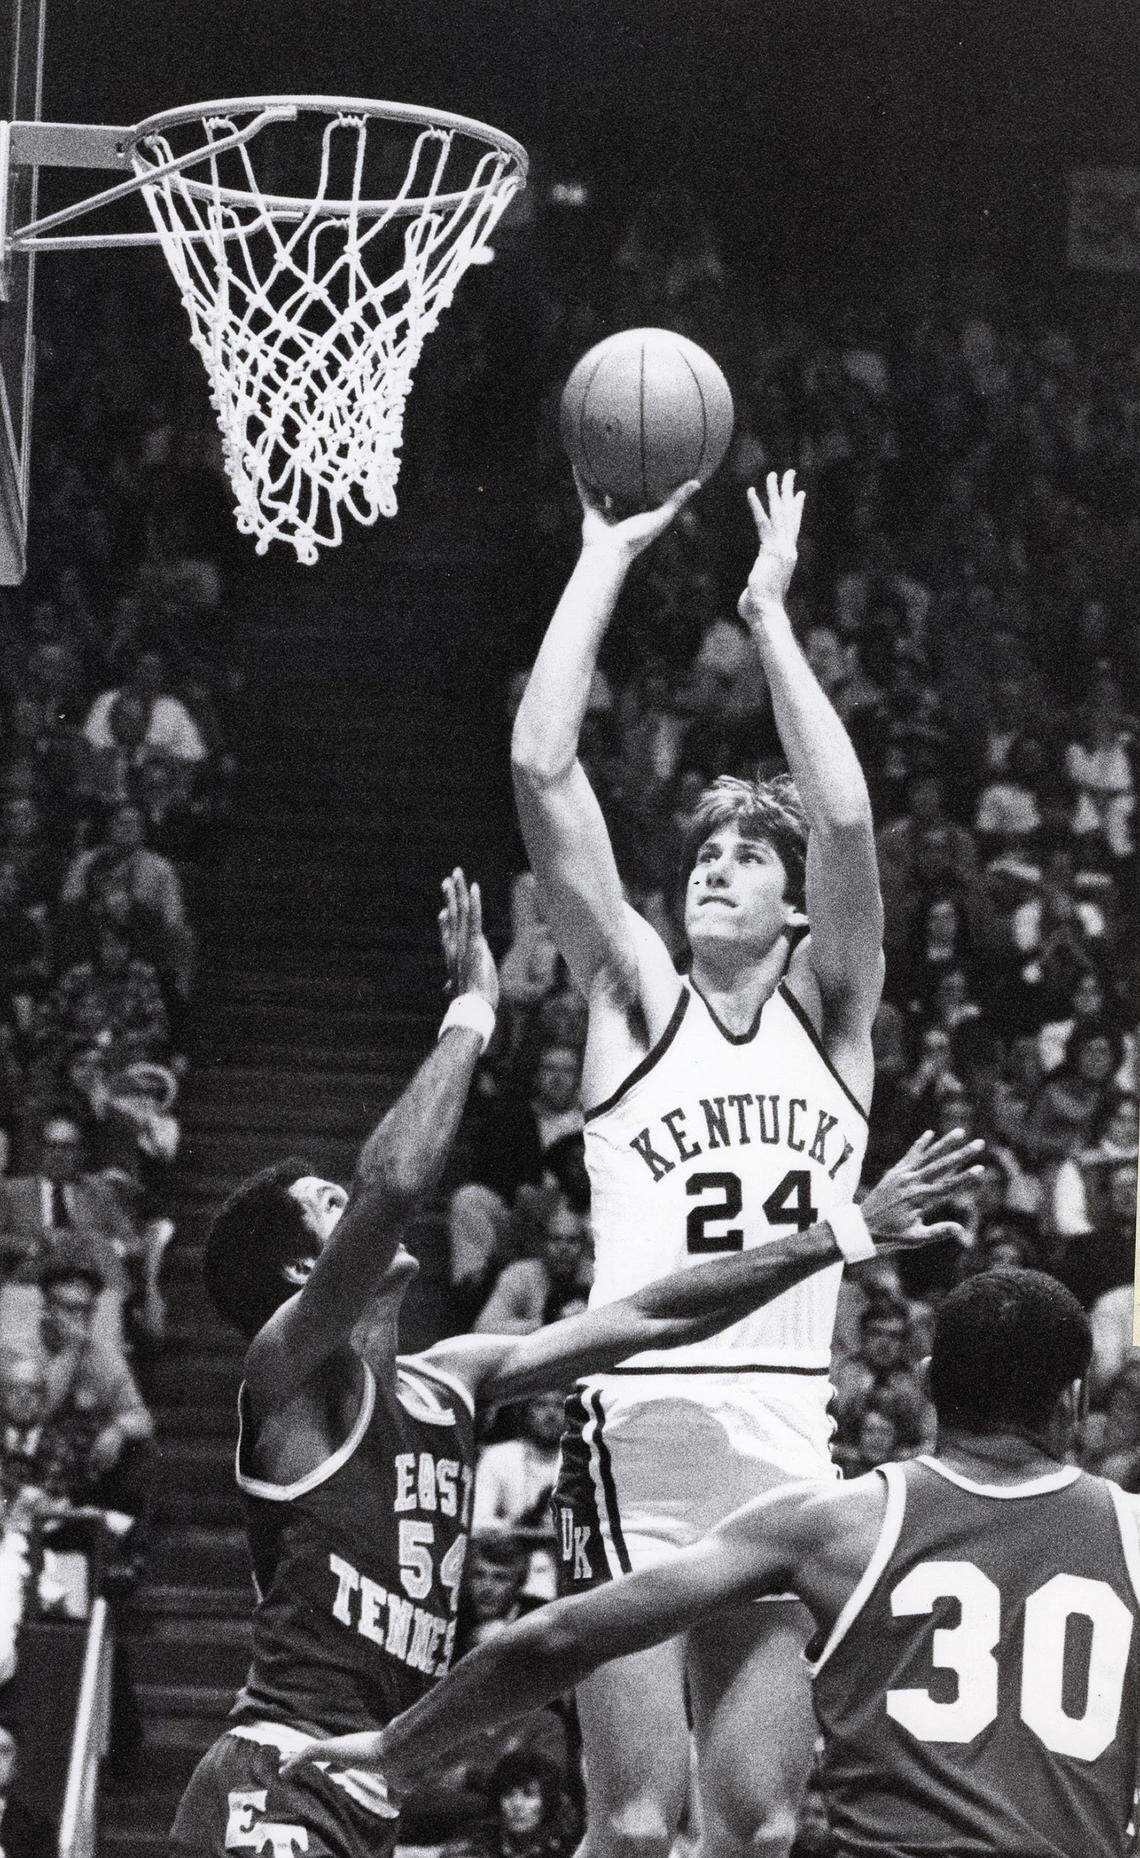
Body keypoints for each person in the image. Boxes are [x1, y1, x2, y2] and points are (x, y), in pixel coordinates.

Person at [169, 867, 977, 1858]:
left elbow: (650, 1316)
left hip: (369, 1786)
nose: (356, 1207)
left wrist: (837, 1231)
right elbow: (395, 1179)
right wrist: (472, 1010)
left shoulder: (449, 1376)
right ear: (304, 1268)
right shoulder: (284, 1374)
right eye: (325, 1210)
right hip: (282, 1767)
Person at [507, 468, 885, 1858]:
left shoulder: (833, 1018)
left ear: (796, 916)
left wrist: (770, 618)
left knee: (762, 1823)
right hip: (642, 1433)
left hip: (789, 1444)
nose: (716, 868)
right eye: (706, 852)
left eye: (747, 858)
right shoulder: (634, 1001)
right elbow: (544, 764)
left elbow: (845, 825)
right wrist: (603, 553)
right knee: (638, 1816)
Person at [291, 1269, 1140, 1858]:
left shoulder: (832, 1526)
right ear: (1074, 1398)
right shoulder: (1131, 1535)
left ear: (927, 1381)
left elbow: (557, 1637)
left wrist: (401, 1744)